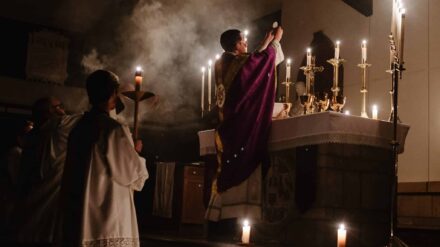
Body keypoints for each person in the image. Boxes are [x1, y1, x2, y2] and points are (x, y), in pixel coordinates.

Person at [205, 26, 284, 238]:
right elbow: (256, 67)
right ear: (236, 44)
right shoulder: (235, 62)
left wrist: (266, 46)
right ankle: (236, 218)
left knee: (226, 170)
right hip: (241, 124)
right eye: (243, 41)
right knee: (241, 163)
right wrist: (273, 43)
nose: (246, 45)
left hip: (229, 123)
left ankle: (219, 216)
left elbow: (252, 65)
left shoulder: (222, 63)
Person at [60, 70, 148, 247]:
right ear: (113, 94)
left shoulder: (79, 128)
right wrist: (136, 154)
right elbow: (131, 174)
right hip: (108, 213)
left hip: (79, 211)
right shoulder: (113, 129)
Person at [12, 96, 81, 245]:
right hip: (47, 206)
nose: (63, 110)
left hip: (28, 205)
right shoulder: (58, 126)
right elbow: (88, 118)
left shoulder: (31, 136)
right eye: (59, 106)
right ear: (50, 112)